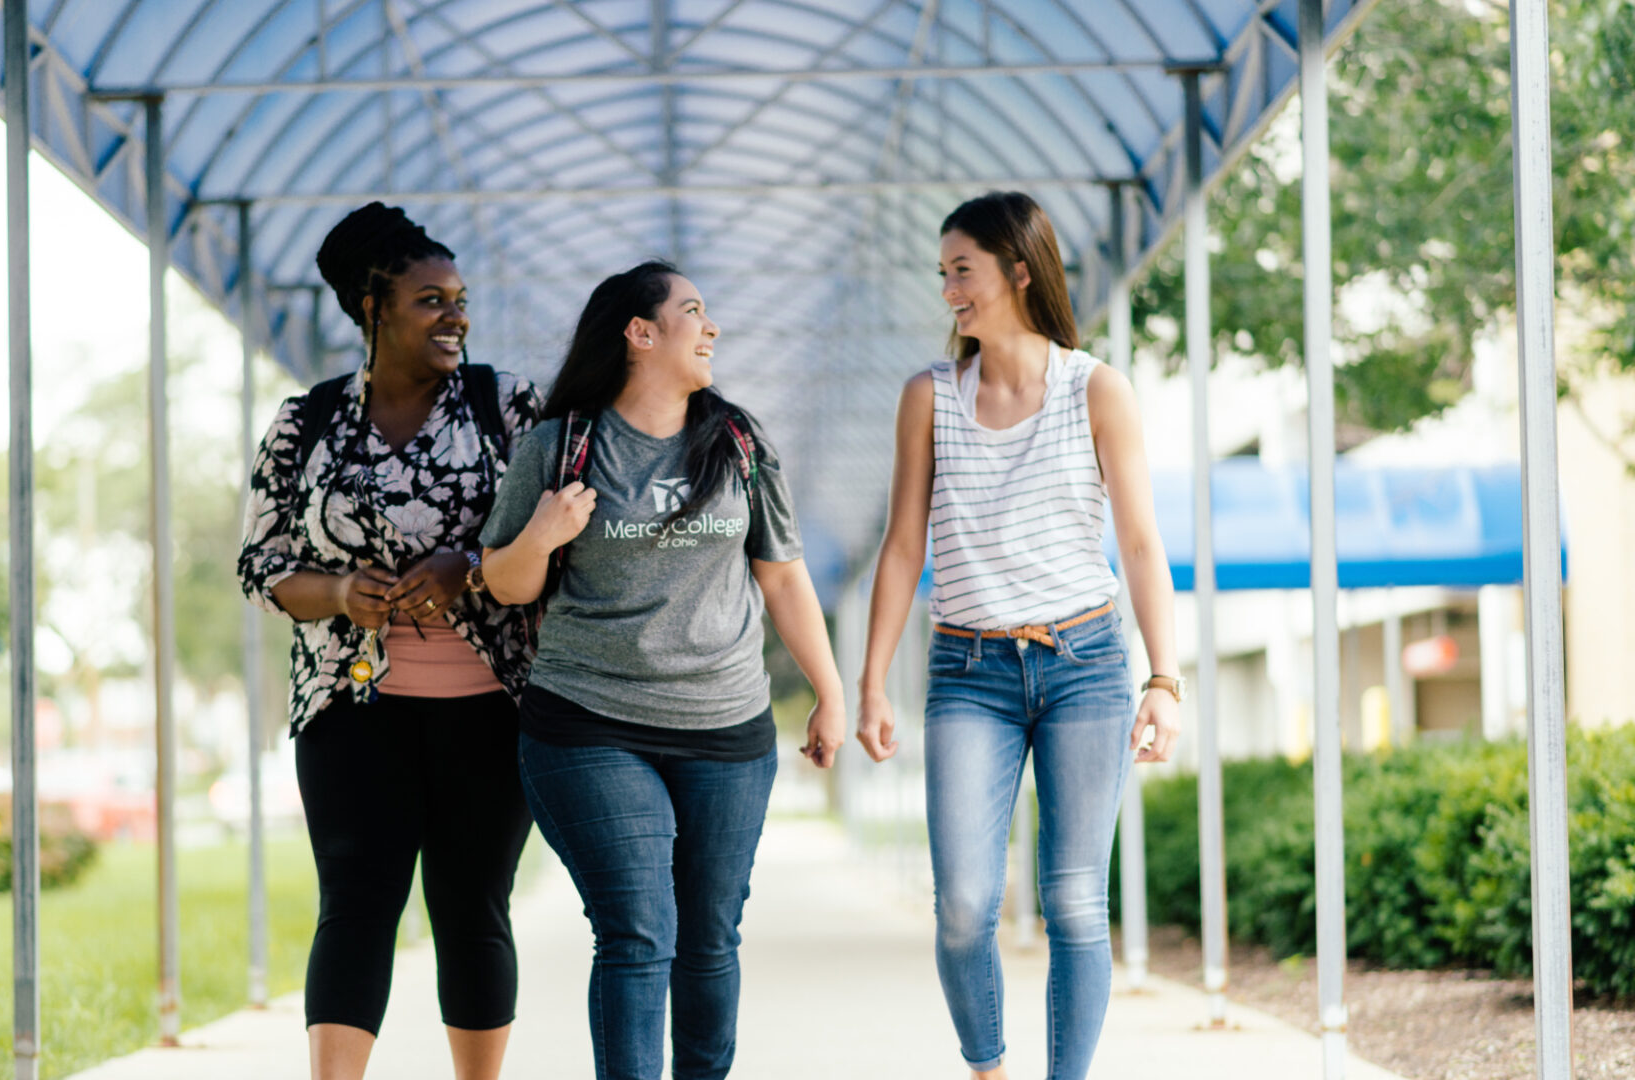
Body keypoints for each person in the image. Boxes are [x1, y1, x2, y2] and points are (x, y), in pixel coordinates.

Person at [477, 261, 845, 1080]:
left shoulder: (739, 441)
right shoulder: (561, 446)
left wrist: (831, 692)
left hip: (725, 726)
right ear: (640, 333)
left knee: (709, 938)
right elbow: (503, 582)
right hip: (589, 723)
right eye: (693, 311)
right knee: (640, 931)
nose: (711, 328)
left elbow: (783, 575)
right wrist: (542, 535)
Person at [854, 192, 1183, 1080]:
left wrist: (1165, 679)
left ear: (1020, 272)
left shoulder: (1097, 389)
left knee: (1074, 902)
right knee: (964, 905)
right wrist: (872, 683)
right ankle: (989, 1068)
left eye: (963, 270)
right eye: (944, 273)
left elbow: (1141, 544)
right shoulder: (929, 397)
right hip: (969, 670)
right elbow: (902, 546)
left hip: (1086, 664)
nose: (949, 289)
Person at [237, 202, 542, 1080]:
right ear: (372, 308)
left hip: (490, 709)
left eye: (460, 299)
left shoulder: (505, 405)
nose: (455, 317)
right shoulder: (306, 421)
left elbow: (559, 538)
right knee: (356, 906)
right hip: (349, 707)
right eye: (430, 300)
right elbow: (260, 565)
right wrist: (340, 592)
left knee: (473, 908)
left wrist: (469, 568)